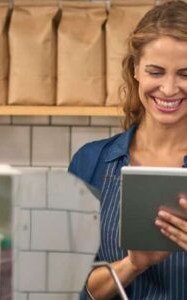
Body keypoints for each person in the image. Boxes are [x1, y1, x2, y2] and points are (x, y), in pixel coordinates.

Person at [68, 1, 187, 299]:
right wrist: (132, 264)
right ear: (135, 69)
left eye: (185, 73)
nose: (170, 89)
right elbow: (71, 287)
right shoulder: (91, 162)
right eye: (156, 72)